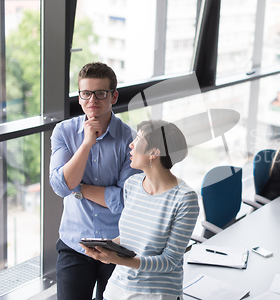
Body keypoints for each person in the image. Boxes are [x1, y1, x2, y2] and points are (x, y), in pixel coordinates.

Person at [49, 62, 141, 300]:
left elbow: (125, 200)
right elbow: (60, 187)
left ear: (114, 96)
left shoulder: (130, 139)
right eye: (86, 94)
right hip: (74, 244)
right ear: (79, 98)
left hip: (118, 245)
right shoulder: (63, 132)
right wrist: (86, 143)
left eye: (101, 93)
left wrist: (77, 187)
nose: (93, 100)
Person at [82, 119, 199, 300]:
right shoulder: (132, 184)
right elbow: (133, 237)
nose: (131, 144)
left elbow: (169, 261)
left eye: (138, 139)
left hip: (156, 294)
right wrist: (107, 247)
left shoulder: (185, 199)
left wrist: (118, 259)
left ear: (153, 152)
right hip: (118, 288)